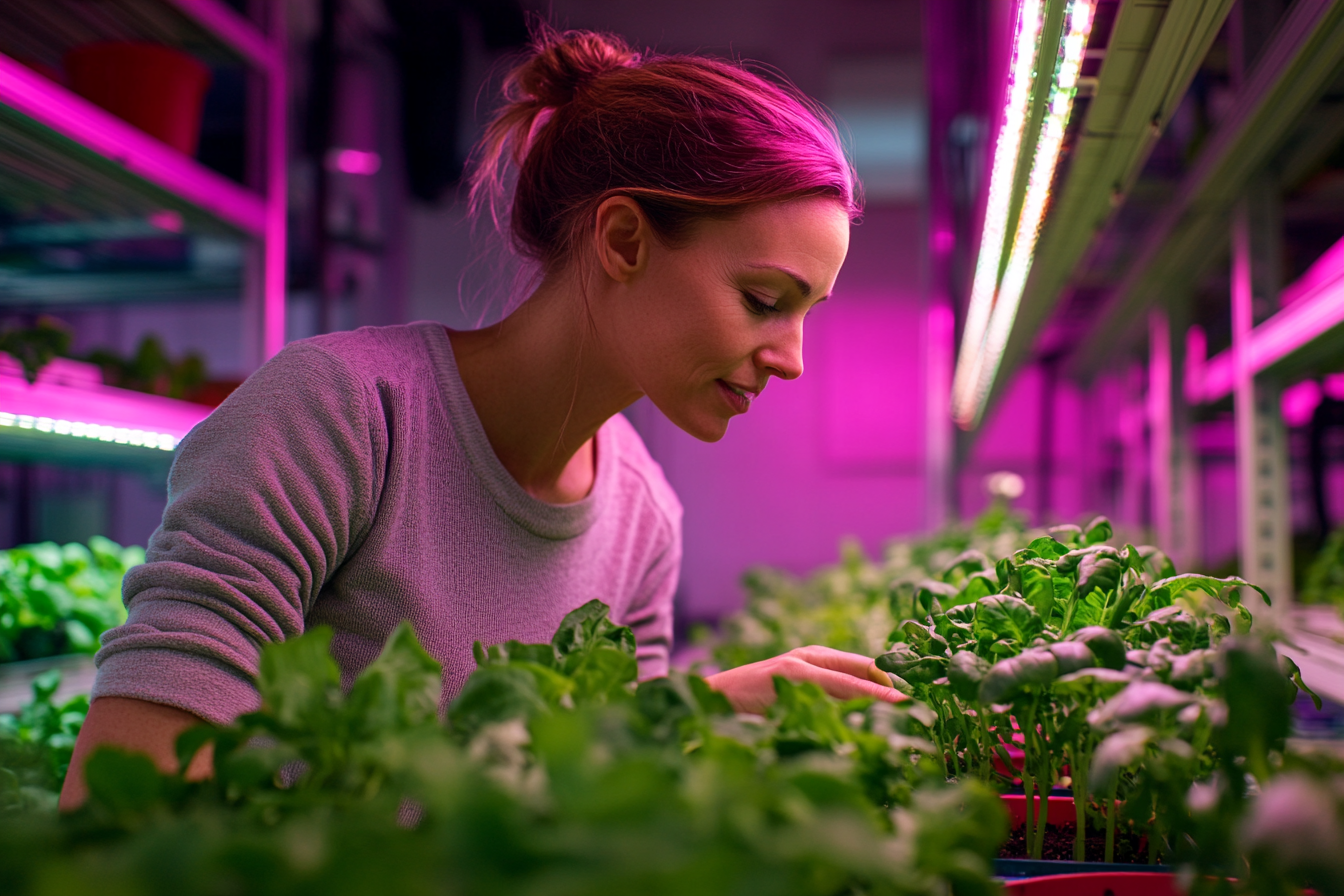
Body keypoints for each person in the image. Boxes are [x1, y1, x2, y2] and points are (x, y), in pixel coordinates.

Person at [59, 27, 901, 810]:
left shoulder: (645, 519)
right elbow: (125, 811)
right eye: (763, 301)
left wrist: (688, 719)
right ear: (623, 241)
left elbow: (581, 812)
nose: (791, 357)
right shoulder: (341, 419)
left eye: (806, 314)